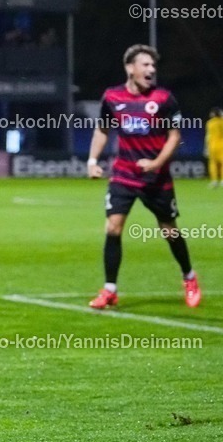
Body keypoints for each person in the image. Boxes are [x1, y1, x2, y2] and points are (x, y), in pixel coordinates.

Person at [87, 44, 200, 309]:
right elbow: (102, 130)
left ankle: (189, 277)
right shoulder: (113, 97)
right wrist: (92, 161)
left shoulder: (163, 99)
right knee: (113, 227)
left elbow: (175, 136)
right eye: (145, 64)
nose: (151, 70)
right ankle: (110, 289)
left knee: (170, 231)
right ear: (130, 68)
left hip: (156, 179)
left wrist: (156, 163)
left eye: (153, 66)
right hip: (124, 175)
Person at [206, 107, 223, 188]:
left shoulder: (209, 123)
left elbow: (207, 136)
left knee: (213, 163)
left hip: (211, 145)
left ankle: (214, 181)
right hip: (221, 144)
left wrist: (206, 148)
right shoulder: (221, 122)